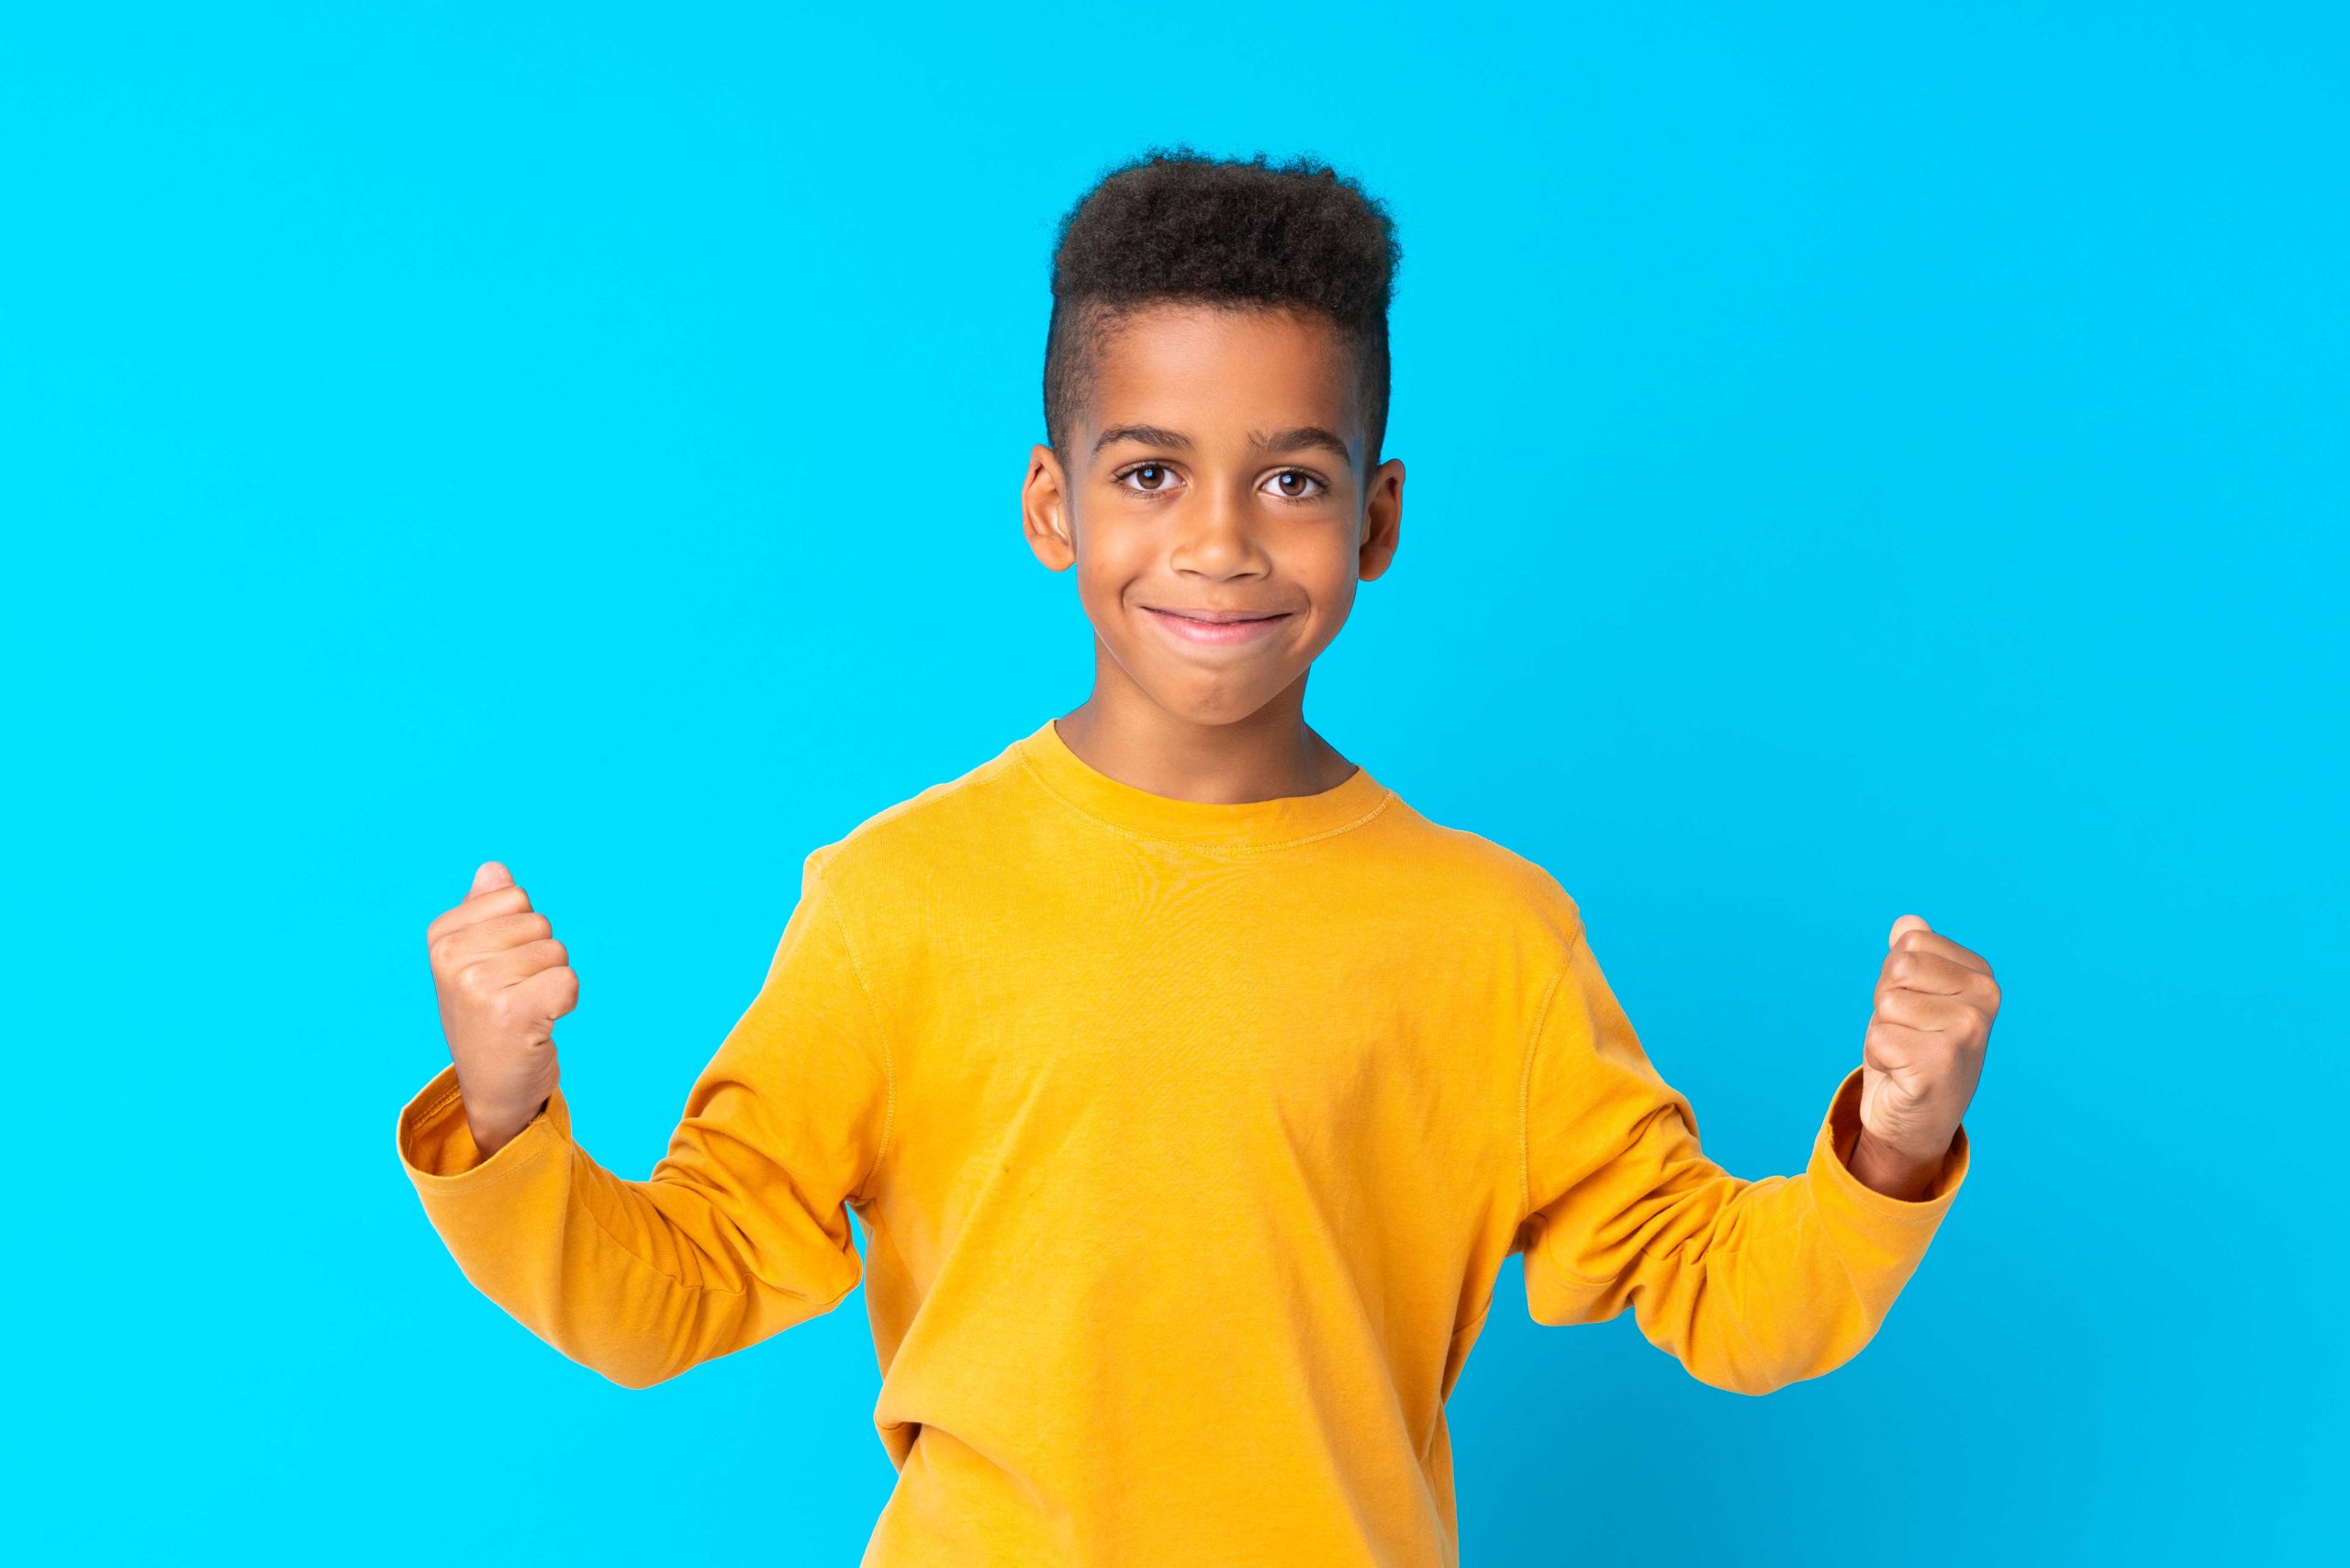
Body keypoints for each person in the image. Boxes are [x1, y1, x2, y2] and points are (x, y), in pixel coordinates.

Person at [397, 147, 1998, 1566]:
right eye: (1151, 471)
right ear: (1055, 505)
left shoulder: (1488, 935)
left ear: (1375, 522)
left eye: (1290, 481)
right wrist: (505, 1108)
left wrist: (1897, 1144)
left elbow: (1724, 1290)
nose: (1220, 541)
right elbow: (667, 1288)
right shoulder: (901, 901)